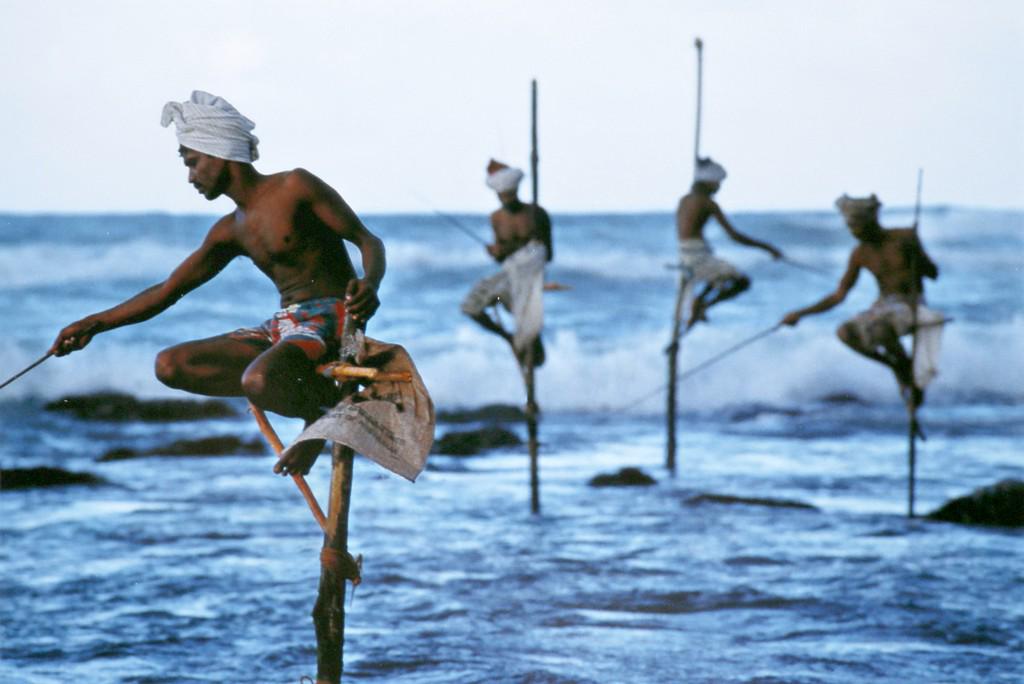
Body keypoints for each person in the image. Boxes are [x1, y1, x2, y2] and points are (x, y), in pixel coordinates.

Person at [50, 90, 386, 475]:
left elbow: (367, 240)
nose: (191, 176)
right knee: (171, 365)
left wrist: (370, 283)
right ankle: (315, 399)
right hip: (285, 326)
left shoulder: (295, 186)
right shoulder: (229, 231)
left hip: (333, 317)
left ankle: (319, 421)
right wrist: (92, 324)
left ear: (218, 153)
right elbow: (166, 291)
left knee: (258, 379)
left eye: (192, 163)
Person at [781, 194, 943, 407]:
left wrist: (916, 253)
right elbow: (839, 295)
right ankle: (898, 367)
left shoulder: (904, 237)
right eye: (850, 228)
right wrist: (800, 314)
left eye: (858, 226)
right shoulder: (860, 253)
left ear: (871, 222)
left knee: (880, 329)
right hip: (884, 306)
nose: (854, 232)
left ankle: (906, 375)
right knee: (845, 333)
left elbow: (933, 273)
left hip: (911, 304)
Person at [460, 159, 551, 367]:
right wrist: (496, 252)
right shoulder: (496, 218)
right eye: (502, 195)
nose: (506, 198)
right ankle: (508, 338)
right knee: (471, 307)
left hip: (530, 277)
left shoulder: (536, 214)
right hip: (508, 277)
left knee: (525, 318)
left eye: (509, 193)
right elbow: (502, 258)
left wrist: (515, 250)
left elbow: (546, 253)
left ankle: (529, 350)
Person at [675, 157, 783, 330]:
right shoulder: (708, 203)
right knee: (742, 282)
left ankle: (699, 303)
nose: (719, 187)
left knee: (718, 277)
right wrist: (767, 248)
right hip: (697, 256)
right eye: (718, 183)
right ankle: (703, 305)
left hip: (685, 255)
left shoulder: (684, 200)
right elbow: (734, 236)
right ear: (709, 182)